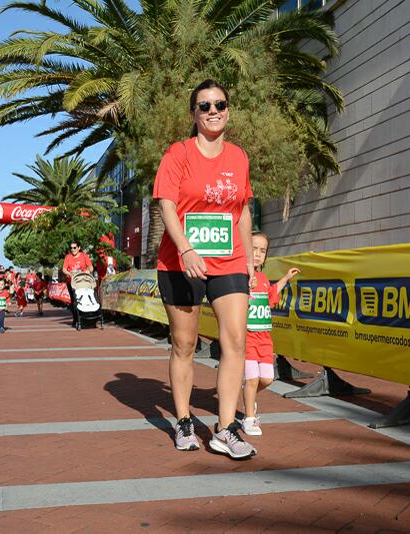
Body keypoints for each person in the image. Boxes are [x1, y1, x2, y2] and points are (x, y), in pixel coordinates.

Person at [153, 79, 256, 459]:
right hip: (181, 261)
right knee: (185, 343)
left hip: (227, 260)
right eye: (205, 106)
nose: (213, 111)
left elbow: (242, 208)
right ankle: (182, 420)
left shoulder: (239, 157)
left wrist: (247, 258)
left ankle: (225, 427)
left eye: (220, 104)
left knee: (236, 341)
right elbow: (166, 204)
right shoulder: (178, 154)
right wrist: (186, 248)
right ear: (194, 114)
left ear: (228, 110)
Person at [242, 231, 300, 436]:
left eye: (262, 250)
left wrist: (285, 278)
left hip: (265, 340)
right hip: (247, 339)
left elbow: (271, 295)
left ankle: (247, 397)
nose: (257, 254)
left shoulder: (264, 279)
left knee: (266, 379)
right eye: (253, 248)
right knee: (251, 379)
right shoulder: (241, 276)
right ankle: (249, 419)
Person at [62, 241, 93, 329]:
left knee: (84, 299)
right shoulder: (68, 257)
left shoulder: (84, 256)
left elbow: (91, 267)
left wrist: (87, 271)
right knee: (74, 301)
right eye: (71, 248)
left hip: (82, 282)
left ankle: (85, 318)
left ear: (79, 248)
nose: (73, 250)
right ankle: (76, 319)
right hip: (71, 282)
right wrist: (70, 274)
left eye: (74, 247)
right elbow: (64, 269)